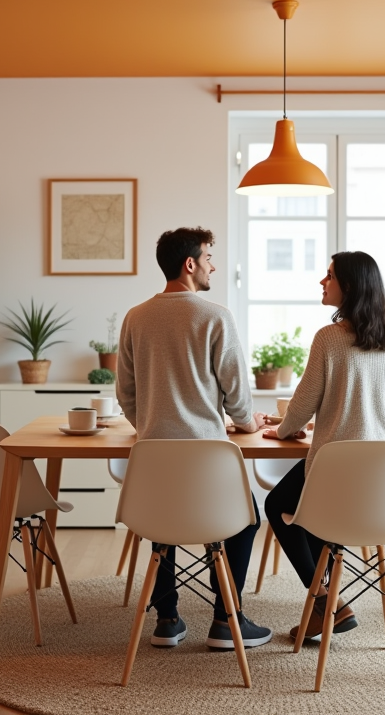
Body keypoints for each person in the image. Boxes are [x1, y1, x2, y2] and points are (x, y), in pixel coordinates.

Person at [117, 226, 273, 650]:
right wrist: (247, 423)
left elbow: (125, 394)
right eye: (208, 258)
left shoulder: (135, 317)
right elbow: (238, 397)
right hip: (209, 459)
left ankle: (167, 620)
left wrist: (150, 422)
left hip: (152, 455)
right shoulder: (215, 316)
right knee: (245, 519)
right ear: (190, 264)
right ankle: (226, 620)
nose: (213, 266)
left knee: (161, 519)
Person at [262, 251, 385, 641]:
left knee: (278, 505)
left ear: (351, 285)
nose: (322, 282)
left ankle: (327, 602)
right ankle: (324, 605)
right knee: (306, 510)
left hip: (336, 474)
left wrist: (282, 430)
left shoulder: (329, 338)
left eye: (329, 276)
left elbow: (303, 403)